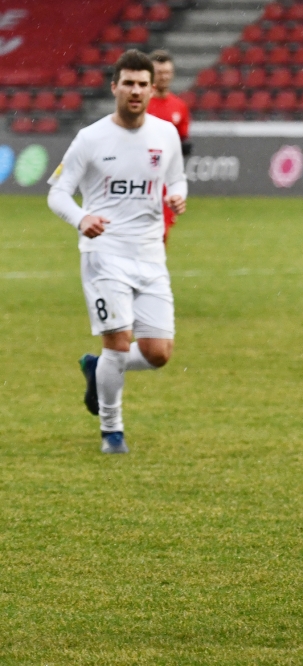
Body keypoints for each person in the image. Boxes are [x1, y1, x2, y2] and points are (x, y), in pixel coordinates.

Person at [47, 50, 186, 454]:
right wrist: (80, 218)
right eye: (128, 83)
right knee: (119, 343)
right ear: (115, 87)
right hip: (104, 253)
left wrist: (177, 196)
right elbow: (57, 192)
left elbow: (177, 180)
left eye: (143, 83)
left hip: (150, 254)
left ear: (151, 87)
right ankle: (112, 431)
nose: (136, 90)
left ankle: (96, 368)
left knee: (158, 354)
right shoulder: (91, 138)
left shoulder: (165, 134)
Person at [146, 49, 191, 245]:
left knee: (162, 231)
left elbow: (181, 140)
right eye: (159, 72)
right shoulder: (140, 103)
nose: (164, 77)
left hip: (165, 180)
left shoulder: (179, 106)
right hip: (141, 176)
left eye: (167, 72)